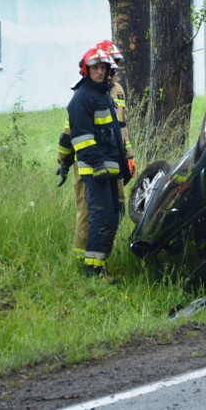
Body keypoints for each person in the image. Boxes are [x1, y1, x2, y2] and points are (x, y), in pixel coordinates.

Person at [57, 41, 135, 265]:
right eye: (97, 67)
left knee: (111, 214)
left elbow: (120, 131)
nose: (107, 71)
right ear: (87, 69)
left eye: (109, 66)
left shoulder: (110, 93)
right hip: (93, 166)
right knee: (92, 213)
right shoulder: (84, 96)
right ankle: (86, 264)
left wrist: (126, 161)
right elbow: (74, 134)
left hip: (110, 166)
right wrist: (64, 162)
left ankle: (97, 262)